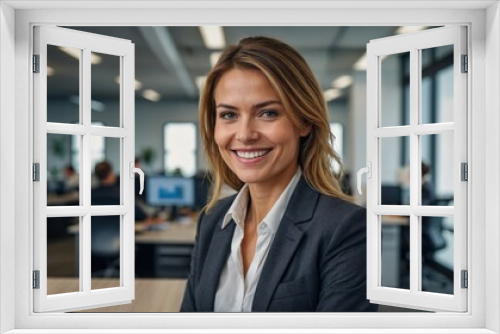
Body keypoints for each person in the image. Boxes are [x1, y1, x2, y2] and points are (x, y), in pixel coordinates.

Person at [180, 37, 377, 312]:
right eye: (228, 115)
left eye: (268, 113)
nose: (245, 134)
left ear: (304, 121)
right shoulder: (212, 221)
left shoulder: (345, 228)